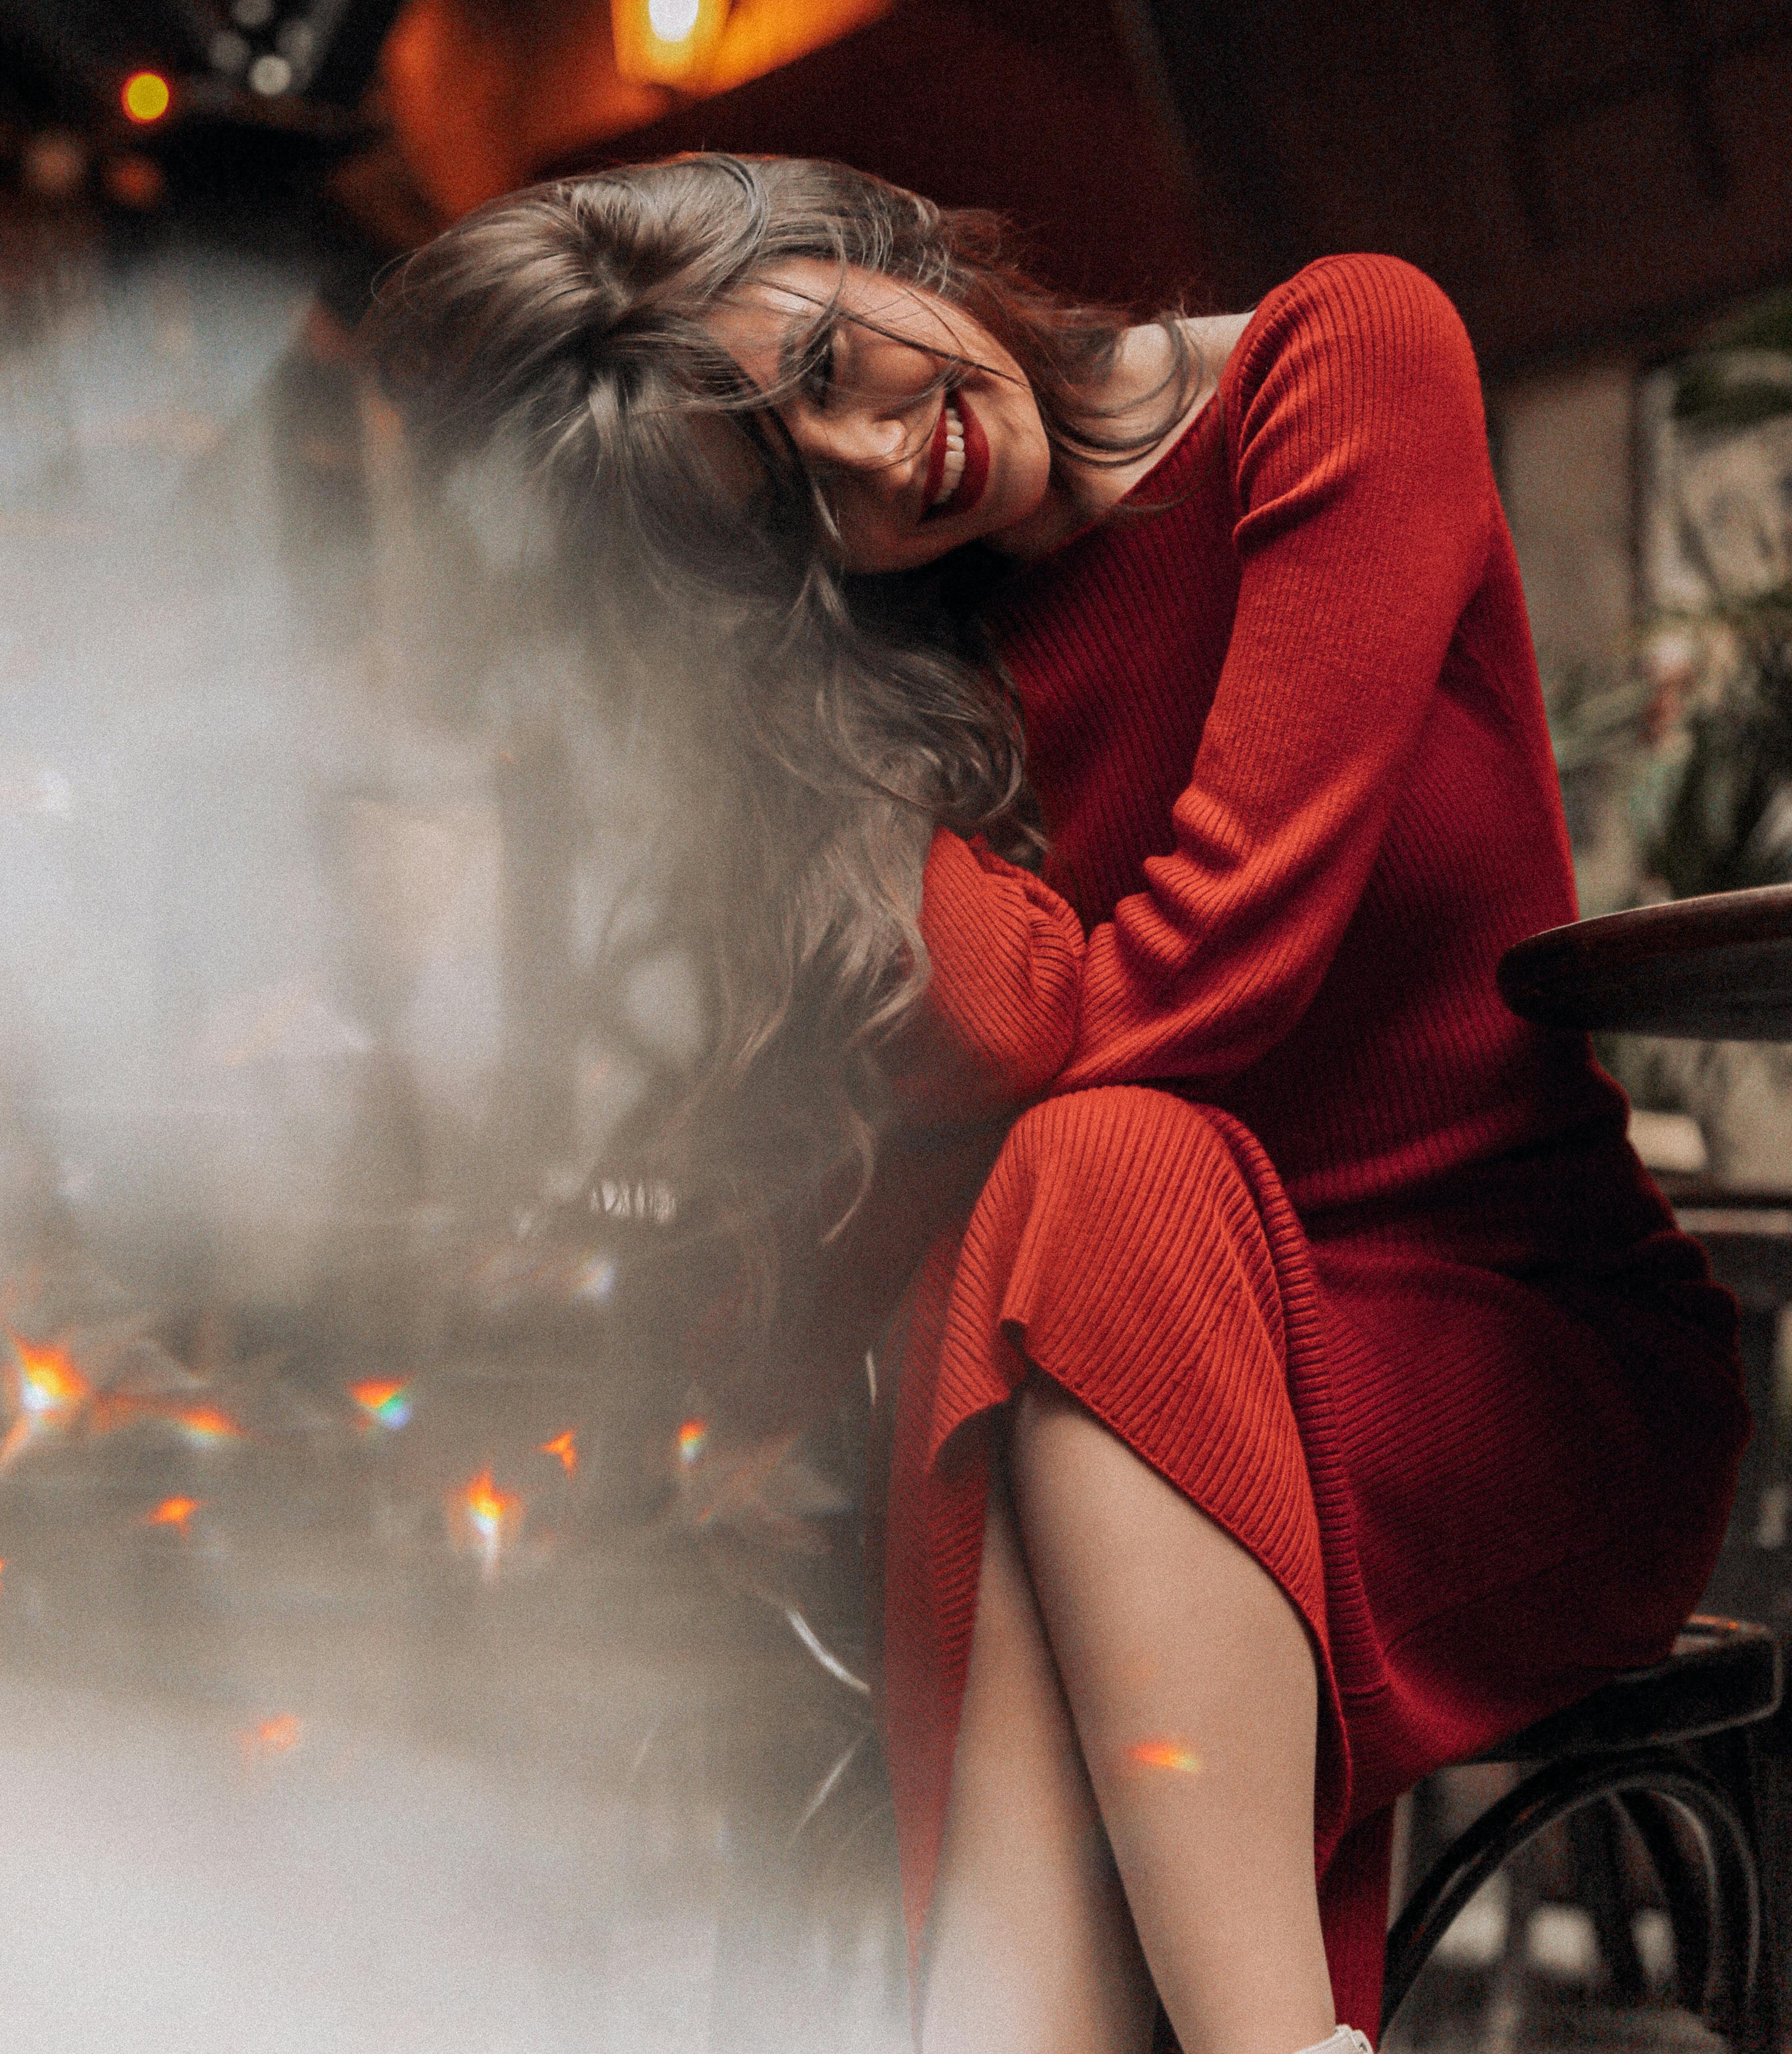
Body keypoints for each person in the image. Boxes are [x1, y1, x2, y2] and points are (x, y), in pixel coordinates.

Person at [374, 154, 1747, 2054]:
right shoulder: (900, 678)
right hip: (1115, 1371)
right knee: (1078, 1219)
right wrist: (716, 1424)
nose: (877, 459)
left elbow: (1195, 987)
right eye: (787, 511)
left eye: (829, 367)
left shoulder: (1337, 361)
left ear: (855, 245)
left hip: (1512, 1371)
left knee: (1097, 1160)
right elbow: (928, 1119)